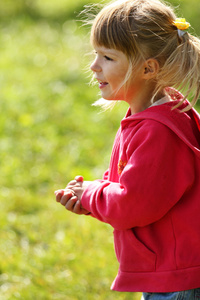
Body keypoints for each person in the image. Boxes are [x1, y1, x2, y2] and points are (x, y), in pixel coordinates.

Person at [55, 0, 200, 299]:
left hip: (177, 278)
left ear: (148, 68)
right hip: (172, 269)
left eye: (107, 57)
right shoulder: (162, 111)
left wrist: (94, 195)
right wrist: (90, 200)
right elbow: (137, 187)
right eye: (96, 54)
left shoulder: (157, 132)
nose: (94, 66)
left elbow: (134, 203)